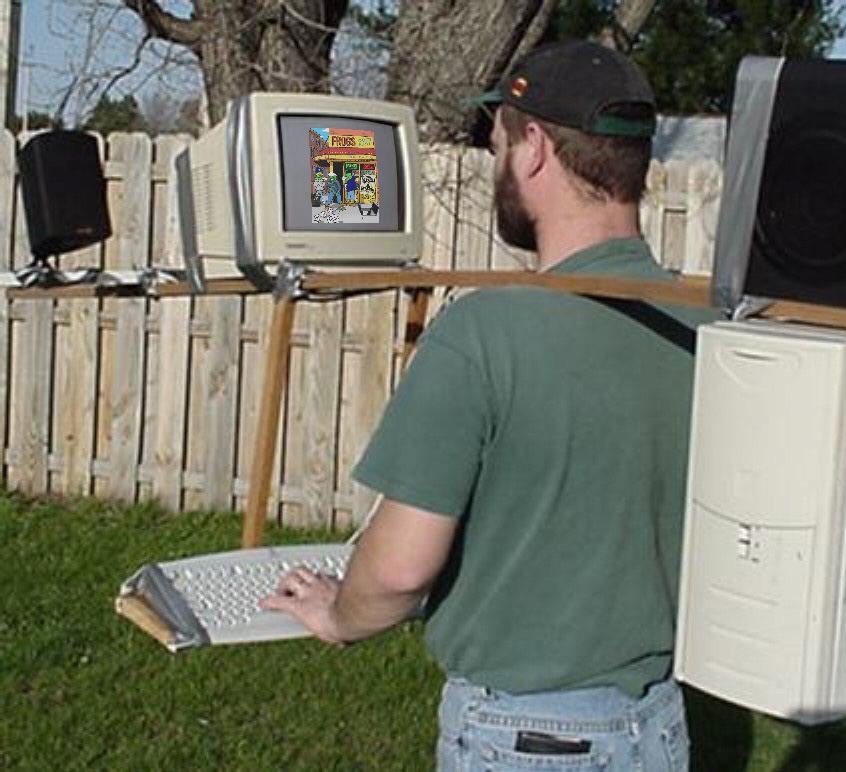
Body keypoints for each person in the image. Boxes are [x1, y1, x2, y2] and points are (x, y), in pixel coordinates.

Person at [262, 39, 719, 771]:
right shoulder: (706, 325)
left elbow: (400, 570)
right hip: (658, 726)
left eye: (499, 143)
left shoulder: (483, 331)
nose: (496, 161)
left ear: (534, 147)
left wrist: (341, 613)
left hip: (525, 739)